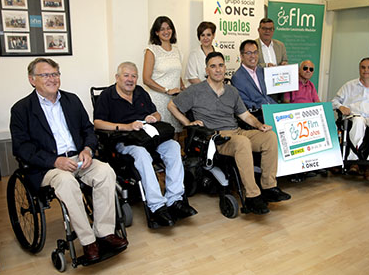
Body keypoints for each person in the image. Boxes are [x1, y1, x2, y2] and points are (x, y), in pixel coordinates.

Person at [10, 58, 128, 263]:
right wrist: (55, 161)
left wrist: (88, 149)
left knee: (106, 172)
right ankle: (88, 241)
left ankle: (104, 233)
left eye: (55, 74)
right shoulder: (21, 109)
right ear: (32, 80)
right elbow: (23, 148)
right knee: (66, 182)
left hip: (79, 158)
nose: (52, 79)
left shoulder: (71, 100)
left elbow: (88, 129)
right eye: (45, 75)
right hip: (48, 165)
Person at [168, 52, 291, 215]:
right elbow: (171, 105)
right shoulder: (196, 91)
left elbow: (245, 115)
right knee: (242, 143)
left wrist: (259, 125)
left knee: (270, 137)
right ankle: (252, 196)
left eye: (220, 65)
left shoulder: (232, 91)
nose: (218, 70)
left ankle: (269, 187)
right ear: (207, 70)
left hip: (237, 131)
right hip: (216, 137)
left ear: (225, 68)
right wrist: (188, 123)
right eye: (213, 66)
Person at [93, 62, 197, 227]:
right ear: (117, 77)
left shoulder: (140, 92)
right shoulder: (107, 96)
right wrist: (126, 126)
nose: (130, 79)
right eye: (126, 75)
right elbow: (97, 123)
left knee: (174, 147)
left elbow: (156, 112)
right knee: (142, 155)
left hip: (147, 136)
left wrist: (154, 117)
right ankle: (156, 206)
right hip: (124, 140)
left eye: (134, 76)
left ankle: (175, 200)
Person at [143, 16, 184, 136]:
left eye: (168, 28)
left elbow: (177, 74)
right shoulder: (152, 50)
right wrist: (166, 91)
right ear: (156, 32)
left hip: (174, 100)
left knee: (175, 133)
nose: (166, 32)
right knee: (160, 135)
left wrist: (183, 89)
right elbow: (146, 79)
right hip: (158, 99)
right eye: (162, 29)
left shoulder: (177, 51)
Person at [231, 40, 277, 122]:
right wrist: (265, 109)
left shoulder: (261, 71)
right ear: (241, 56)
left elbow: (267, 96)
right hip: (257, 117)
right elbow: (245, 103)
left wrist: (277, 108)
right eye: (248, 53)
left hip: (271, 111)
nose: (253, 56)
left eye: (255, 52)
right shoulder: (237, 78)